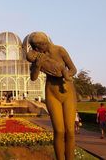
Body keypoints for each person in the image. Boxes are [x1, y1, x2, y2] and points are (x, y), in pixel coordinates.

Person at [28, 32, 77, 160]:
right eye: (35, 48)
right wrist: (38, 65)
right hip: (51, 93)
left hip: (67, 92)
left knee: (70, 131)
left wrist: (63, 74)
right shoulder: (37, 56)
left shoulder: (60, 50)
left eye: (37, 47)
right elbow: (33, 78)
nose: (37, 50)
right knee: (59, 131)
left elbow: (73, 69)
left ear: (43, 44)